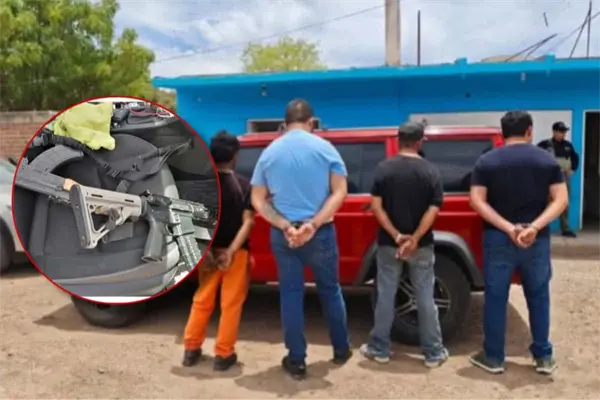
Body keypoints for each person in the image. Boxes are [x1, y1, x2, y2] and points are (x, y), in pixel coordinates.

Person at [250, 99, 352, 380]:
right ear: (311, 122)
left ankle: (296, 360)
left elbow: (257, 199)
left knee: (291, 294)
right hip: (320, 233)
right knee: (330, 291)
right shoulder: (326, 148)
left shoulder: (270, 152)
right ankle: (341, 349)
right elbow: (340, 192)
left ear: (284, 125)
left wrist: (285, 225)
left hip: (284, 235)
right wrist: (313, 224)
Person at [469, 111, 568, 376]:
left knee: (495, 297)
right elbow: (561, 200)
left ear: (502, 133)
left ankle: (493, 357)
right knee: (538, 296)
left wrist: (508, 227)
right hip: (536, 241)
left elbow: (476, 200)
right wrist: (534, 227)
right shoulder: (546, 160)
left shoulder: (487, 161)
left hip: (498, 237)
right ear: (529, 131)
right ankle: (543, 357)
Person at [359, 122, 449, 368]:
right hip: (422, 246)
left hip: (389, 245)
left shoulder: (384, 168)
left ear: (399, 140)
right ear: (420, 142)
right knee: (425, 297)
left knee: (385, 295)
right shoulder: (431, 170)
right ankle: (433, 352)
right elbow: (433, 209)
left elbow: (376, 207)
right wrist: (415, 239)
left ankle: (379, 348)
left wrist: (397, 236)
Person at [182, 131, 255, 371]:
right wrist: (231, 252)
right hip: (236, 253)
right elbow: (248, 222)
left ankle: (191, 349)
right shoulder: (244, 186)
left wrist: (210, 250)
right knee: (231, 304)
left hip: (209, 254)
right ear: (235, 156)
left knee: (202, 299)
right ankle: (223, 355)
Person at [537, 121, 579, 237]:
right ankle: (540, 227)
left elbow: (575, 158)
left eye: (564, 132)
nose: (563, 134)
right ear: (554, 132)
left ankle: (565, 228)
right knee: (545, 202)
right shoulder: (545, 145)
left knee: (563, 202)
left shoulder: (568, 145)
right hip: (548, 177)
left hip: (563, 177)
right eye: (561, 131)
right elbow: (535, 157)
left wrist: (573, 169)